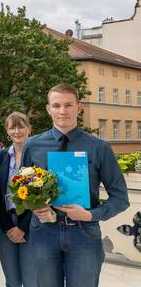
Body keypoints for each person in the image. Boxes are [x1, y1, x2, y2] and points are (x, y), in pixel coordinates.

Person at [22, 84, 129, 287]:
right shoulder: (33, 146)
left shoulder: (99, 147)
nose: (63, 111)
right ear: (48, 109)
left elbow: (121, 198)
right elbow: (17, 192)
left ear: (79, 107)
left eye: (68, 105)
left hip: (84, 232)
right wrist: (33, 206)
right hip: (44, 232)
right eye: (57, 105)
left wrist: (91, 215)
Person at [0, 112, 35, 287]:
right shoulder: (0, 157)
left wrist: (22, 227)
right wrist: (8, 226)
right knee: (12, 281)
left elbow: (43, 196)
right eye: (12, 127)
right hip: (5, 225)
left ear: (29, 129)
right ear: (7, 131)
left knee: (32, 279)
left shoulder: (37, 156)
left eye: (21, 126)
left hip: (31, 226)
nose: (17, 131)